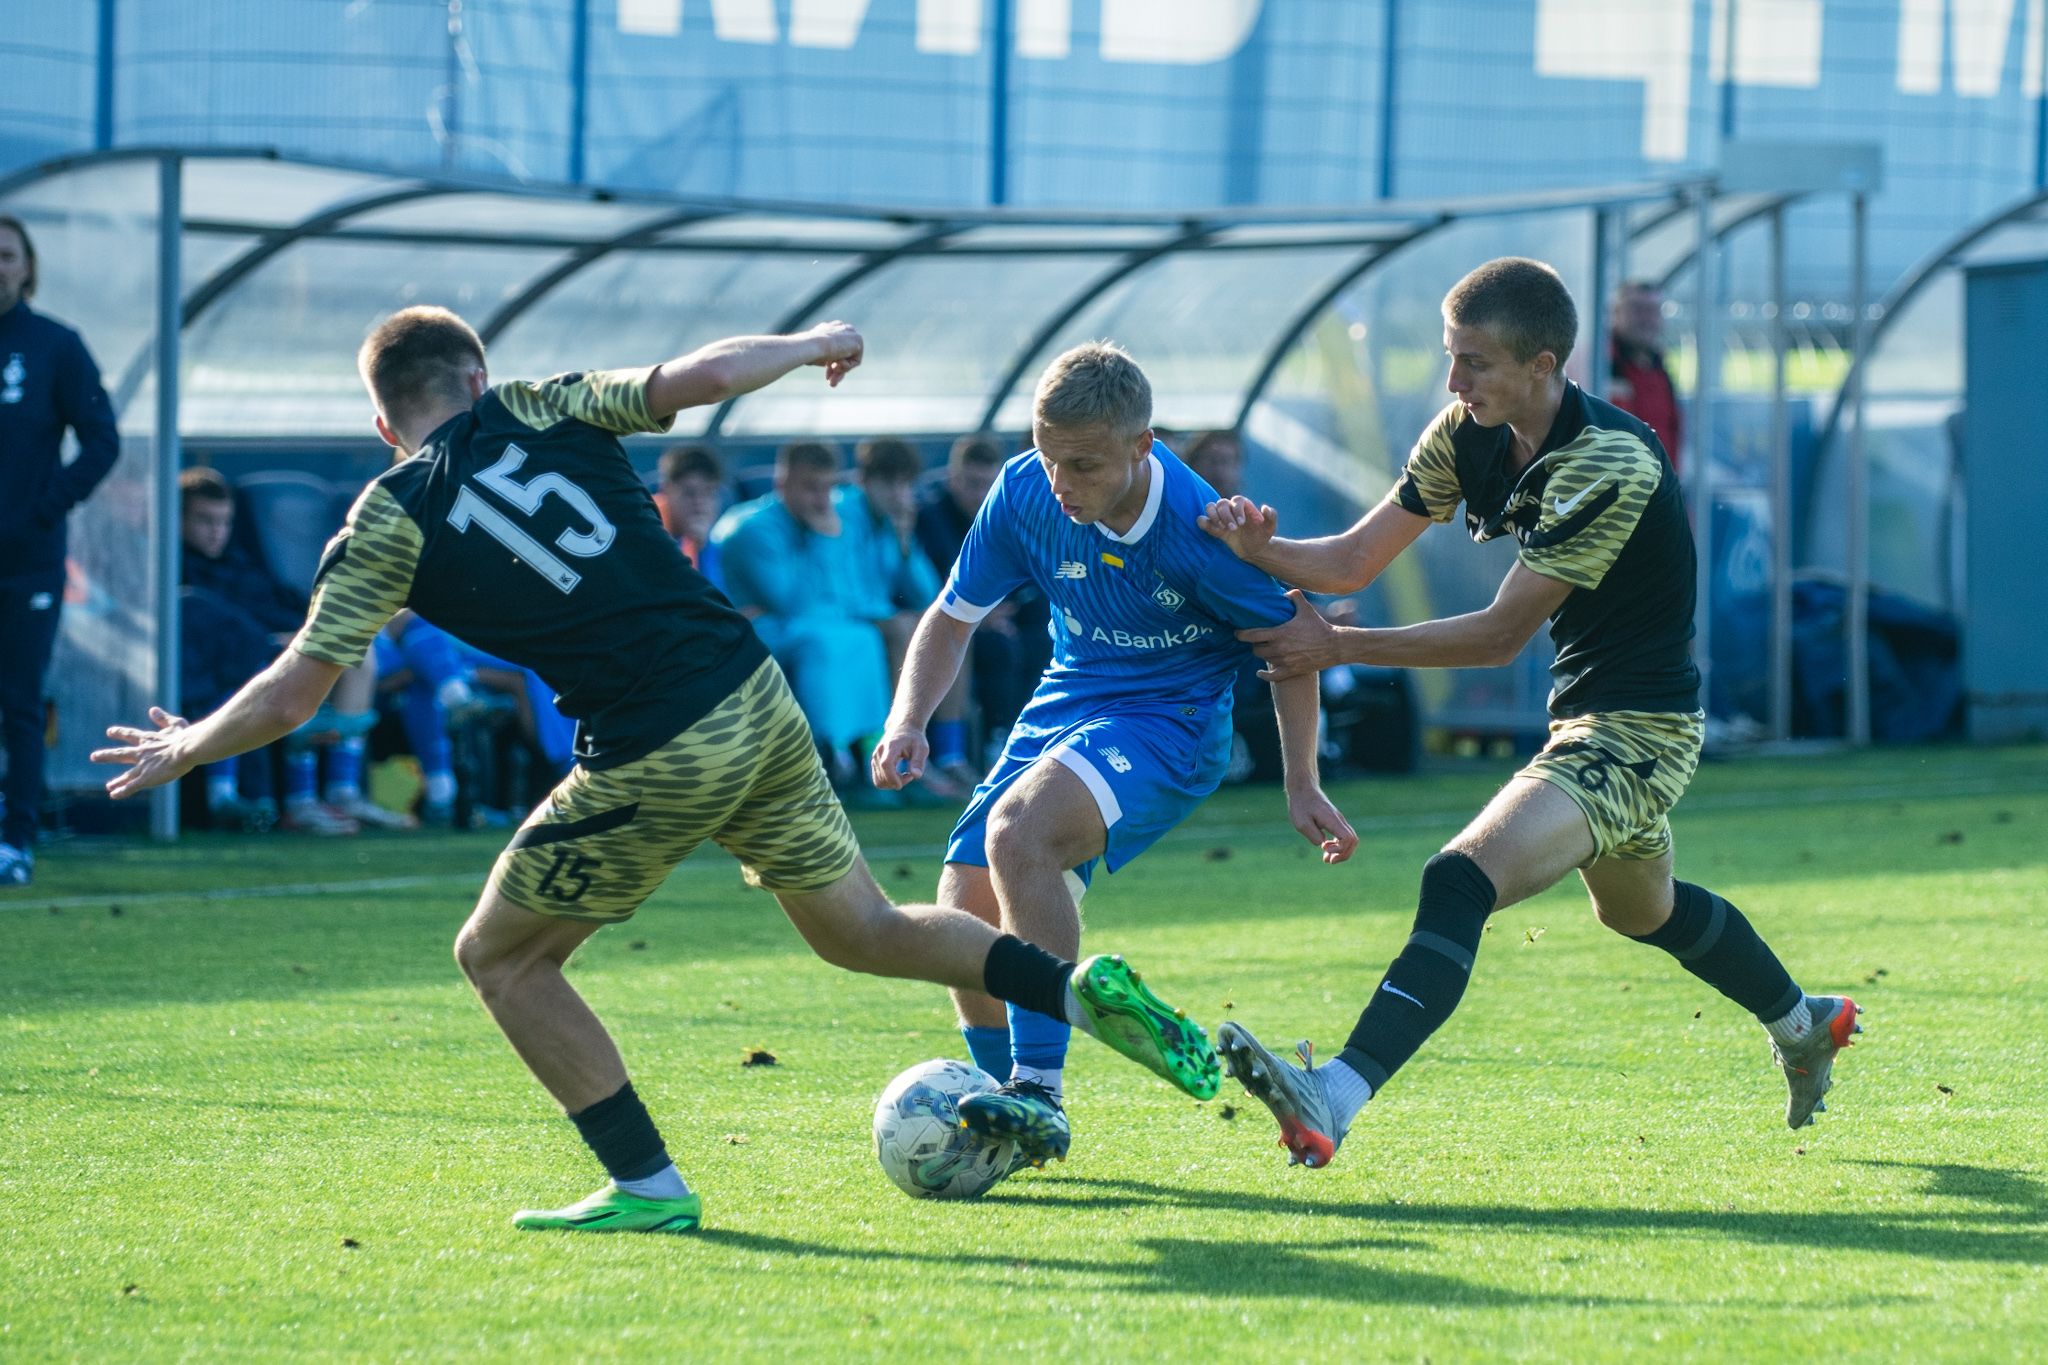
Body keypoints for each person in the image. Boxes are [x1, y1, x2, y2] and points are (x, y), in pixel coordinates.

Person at [92, 307, 1221, 1234]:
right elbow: (702, 373)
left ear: (385, 426)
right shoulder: (540, 402)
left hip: (656, 742)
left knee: (499, 957)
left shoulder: (387, 514)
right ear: (476, 372)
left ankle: (646, 1186)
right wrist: (807, 345)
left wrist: (187, 743)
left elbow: (297, 688)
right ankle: (1065, 986)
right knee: (865, 930)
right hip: (753, 694)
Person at [1198, 258, 1859, 1169]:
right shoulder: (1467, 430)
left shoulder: (1610, 458)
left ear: (1544, 365)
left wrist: (1340, 647)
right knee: (1641, 912)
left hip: (1642, 734)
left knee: (1459, 877)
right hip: (1586, 723)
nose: (1454, 382)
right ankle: (1805, 1020)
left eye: (1475, 364)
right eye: (1449, 357)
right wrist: (1261, 547)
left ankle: (1335, 1094)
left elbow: (1502, 633)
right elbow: (1350, 562)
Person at [871, 341, 1359, 1177]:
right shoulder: (1027, 488)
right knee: (966, 898)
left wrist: (1301, 779)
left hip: (1171, 724)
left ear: (1143, 446)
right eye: (1050, 456)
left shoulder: (1205, 531)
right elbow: (952, 616)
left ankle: (1040, 1091)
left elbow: (1291, 647)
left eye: (1086, 465)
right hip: (1069, 698)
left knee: (1020, 834)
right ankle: (1003, 1115)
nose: (1063, 483)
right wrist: (907, 718)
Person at [0, 215, 119, 886]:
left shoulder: (54, 346)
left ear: (26, 267)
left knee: (18, 700)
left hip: (28, 558)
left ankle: (16, 840)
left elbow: (102, 440)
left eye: (6, 254)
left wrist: (44, 507)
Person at [711, 442, 894, 795]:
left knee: (864, 636)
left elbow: (848, 598)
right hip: (753, 631)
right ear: (782, 484)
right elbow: (789, 600)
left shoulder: (833, 520)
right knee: (824, 641)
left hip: (803, 623)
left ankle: (861, 752)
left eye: (827, 487)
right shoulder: (752, 528)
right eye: (810, 488)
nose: (821, 500)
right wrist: (823, 540)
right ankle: (821, 755)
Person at [915, 433, 1045, 783]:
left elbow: (1025, 570)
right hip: (961, 621)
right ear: (952, 478)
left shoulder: (1003, 512)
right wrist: (979, 613)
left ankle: (1037, 742)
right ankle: (993, 746)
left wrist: (1011, 607)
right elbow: (937, 581)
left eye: (987, 484)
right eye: (971, 483)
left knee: (1043, 634)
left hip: (1000, 617)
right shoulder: (931, 517)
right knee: (997, 649)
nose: (979, 494)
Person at [1608, 280, 1683, 473]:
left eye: (1653, 311)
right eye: (1637, 310)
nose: (1646, 319)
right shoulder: (1601, 366)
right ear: (1615, 314)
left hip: (1659, 490)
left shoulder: (1660, 369)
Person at [653, 443, 725, 580]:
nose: (699, 502)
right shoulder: (647, 528)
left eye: (709, 493)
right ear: (665, 490)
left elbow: (716, 598)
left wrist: (703, 548)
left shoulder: (707, 541)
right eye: (689, 493)